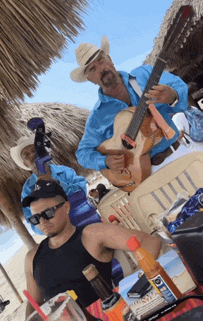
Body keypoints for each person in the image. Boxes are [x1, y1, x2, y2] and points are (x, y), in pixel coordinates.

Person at [23, 179, 161, 319]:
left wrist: (131, 289)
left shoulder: (91, 234)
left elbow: (149, 243)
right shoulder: (32, 257)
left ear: (66, 207)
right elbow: (34, 303)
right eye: (35, 218)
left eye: (47, 213)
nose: (42, 221)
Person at [71, 36, 190, 179]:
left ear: (110, 59)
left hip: (179, 153)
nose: (101, 69)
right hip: (144, 177)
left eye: (101, 60)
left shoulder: (144, 75)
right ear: (90, 79)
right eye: (93, 68)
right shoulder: (97, 117)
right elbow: (83, 154)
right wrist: (105, 161)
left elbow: (179, 86)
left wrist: (172, 95)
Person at [10, 134, 87, 234]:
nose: (32, 155)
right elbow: (34, 226)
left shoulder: (64, 171)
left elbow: (82, 193)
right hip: (62, 236)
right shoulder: (27, 190)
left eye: (34, 150)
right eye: (26, 155)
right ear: (25, 164)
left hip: (85, 221)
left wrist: (55, 183)